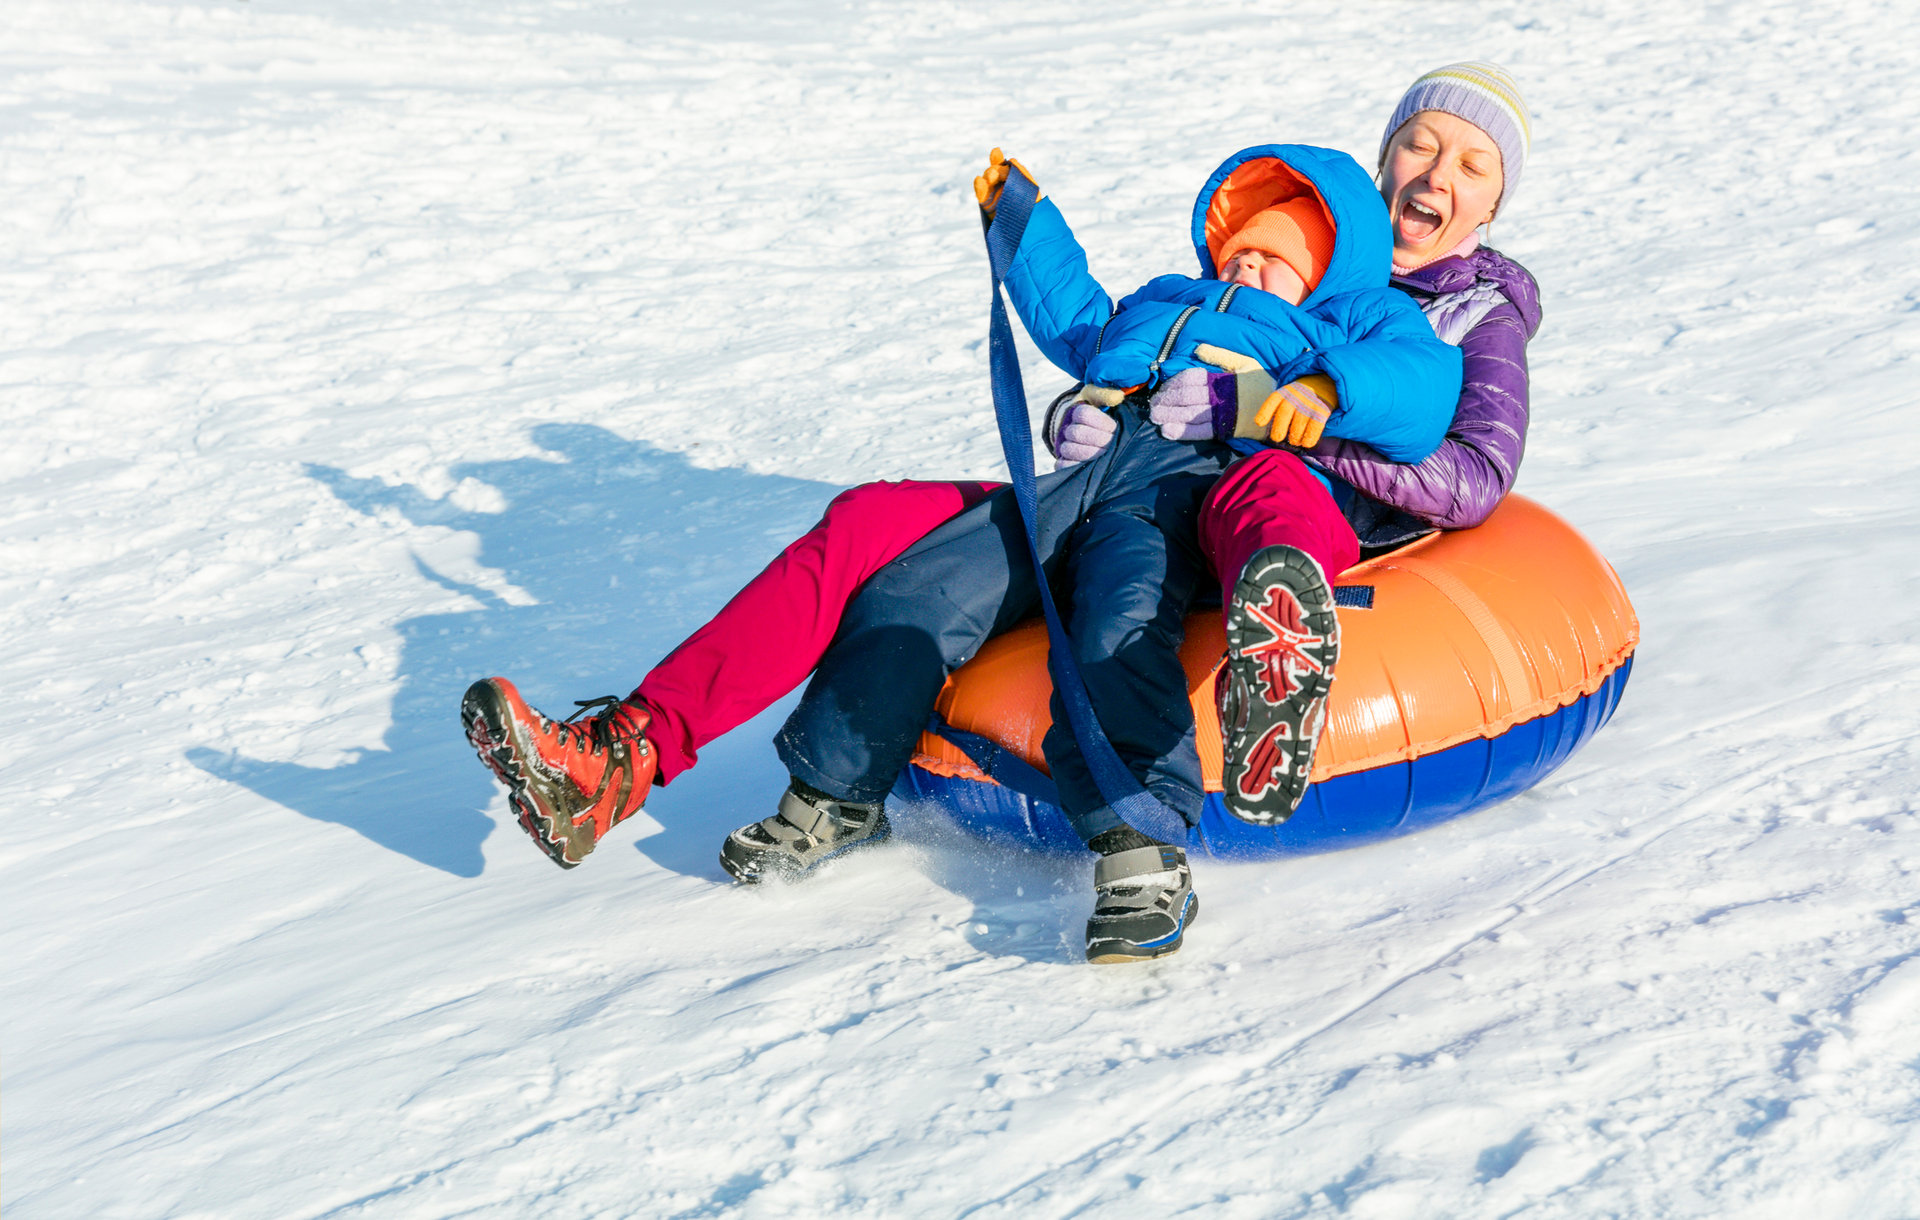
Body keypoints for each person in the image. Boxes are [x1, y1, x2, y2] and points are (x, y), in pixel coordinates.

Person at [462, 61, 1542, 958]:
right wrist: (1030, 242)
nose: (1435, 171)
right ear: (1383, 154)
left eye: (1471, 160)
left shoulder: (1432, 317)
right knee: (889, 544)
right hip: (1095, 472)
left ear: (1493, 201)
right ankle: (629, 755)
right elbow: (1084, 321)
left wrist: (1271, 407)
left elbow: (1461, 456)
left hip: (1236, 493)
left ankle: (1265, 652)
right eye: (1421, 143)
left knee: (1171, 571)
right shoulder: (1188, 293)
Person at [714, 139, 1461, 966]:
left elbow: (1420, 382)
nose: (1249, 268)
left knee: (1120, 617)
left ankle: (1141, 854)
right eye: (1242, 247)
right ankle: (835, 797)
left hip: (1190, 479)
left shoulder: (1340, 322)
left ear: (1327, 270)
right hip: (1087, 471)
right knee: (921, 588)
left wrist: (1319, 390)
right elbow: (1080, 318)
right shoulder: (1166, 298)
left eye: (1278, 260)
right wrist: (1023, 225)